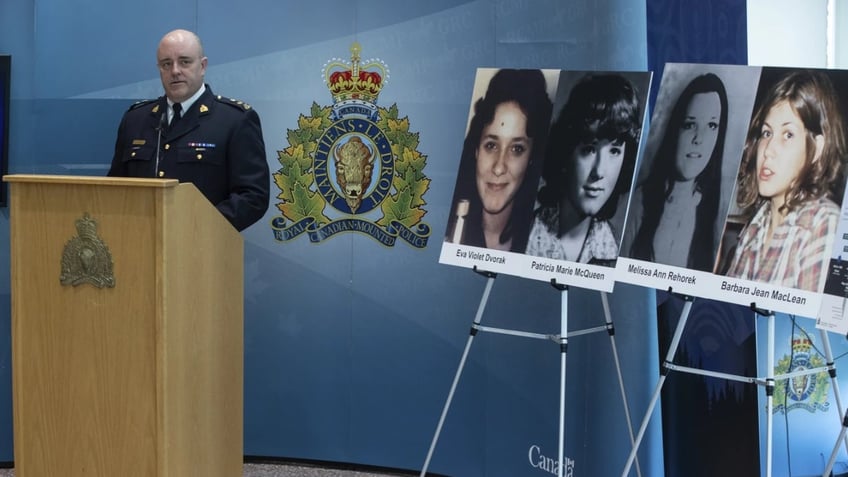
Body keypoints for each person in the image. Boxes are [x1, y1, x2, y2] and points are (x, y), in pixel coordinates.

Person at [108, 29, 270, 232]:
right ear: (159, 69)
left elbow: (253, 196)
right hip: (139, 246)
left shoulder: (234, 119)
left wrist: (197, 227)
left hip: (202, 249)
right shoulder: (135, 119)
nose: (175, 71)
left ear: (202, 66)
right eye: (167, 64)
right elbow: (115, 189)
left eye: (184, 62)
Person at [725, 69, 847, 292]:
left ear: (817, 149)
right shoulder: (756, 225)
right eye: (766, 133)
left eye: (788, 135)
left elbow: (806, 327)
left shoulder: (823, 226)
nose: (768, 151)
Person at [525, 74, 642, 266]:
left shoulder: (619, 253)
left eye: (614, 151)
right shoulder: (523, 236)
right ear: (566, 152)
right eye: (589, 149)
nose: (599, 171)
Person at [623, 73, 728, 271]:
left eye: (712, 125)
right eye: (690, 125)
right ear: (675, 130)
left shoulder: (716, 215)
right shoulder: (638, 203)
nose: (699, 139)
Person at [446, 68, 553, 252]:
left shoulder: (543, 244)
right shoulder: (443, 231)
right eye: (491, 146)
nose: (498, 168)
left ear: (531, 159)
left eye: (517, 149)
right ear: (476, 150)